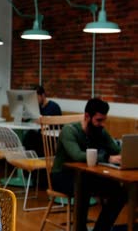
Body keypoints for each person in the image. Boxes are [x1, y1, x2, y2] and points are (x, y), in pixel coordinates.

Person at [52, 98, 126, 231]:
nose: (102, 124)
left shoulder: (100, 131)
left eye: (104, 120)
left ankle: (101, 229)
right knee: (84, 185)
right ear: (87, 116)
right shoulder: (69, 131)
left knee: (120, 192)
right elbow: (77, 155)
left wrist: (126, 154)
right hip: (62, 176)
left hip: (87, 176)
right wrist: (107, 158)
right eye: (98, 120)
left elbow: (116, 150)